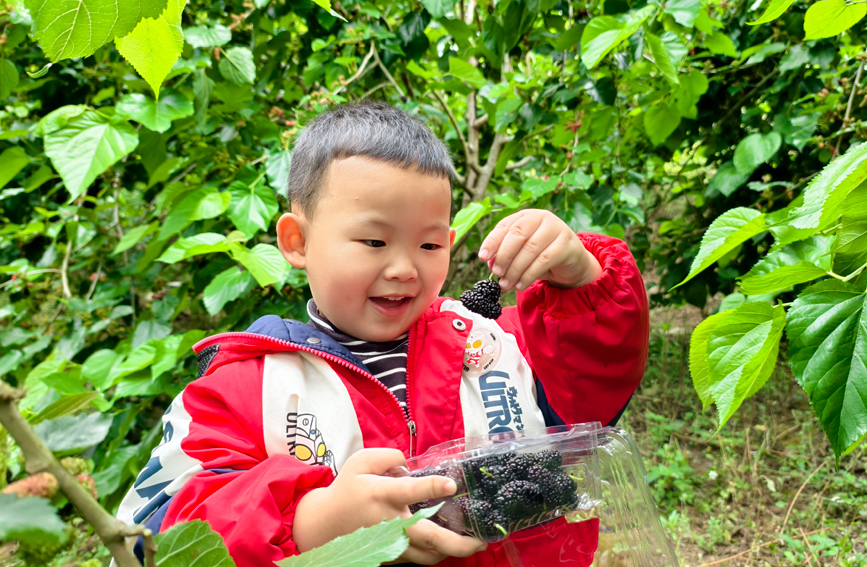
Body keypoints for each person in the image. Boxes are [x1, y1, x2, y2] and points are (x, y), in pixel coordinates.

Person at [115, 100, 649, 567]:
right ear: (297, 241)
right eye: (374, 242)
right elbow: (155, 529)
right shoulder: (246, 390)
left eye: (429, 245)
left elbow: (587, 390)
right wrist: (313, 522)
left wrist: (581, 279)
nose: (404, 269)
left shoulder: (491, 349)